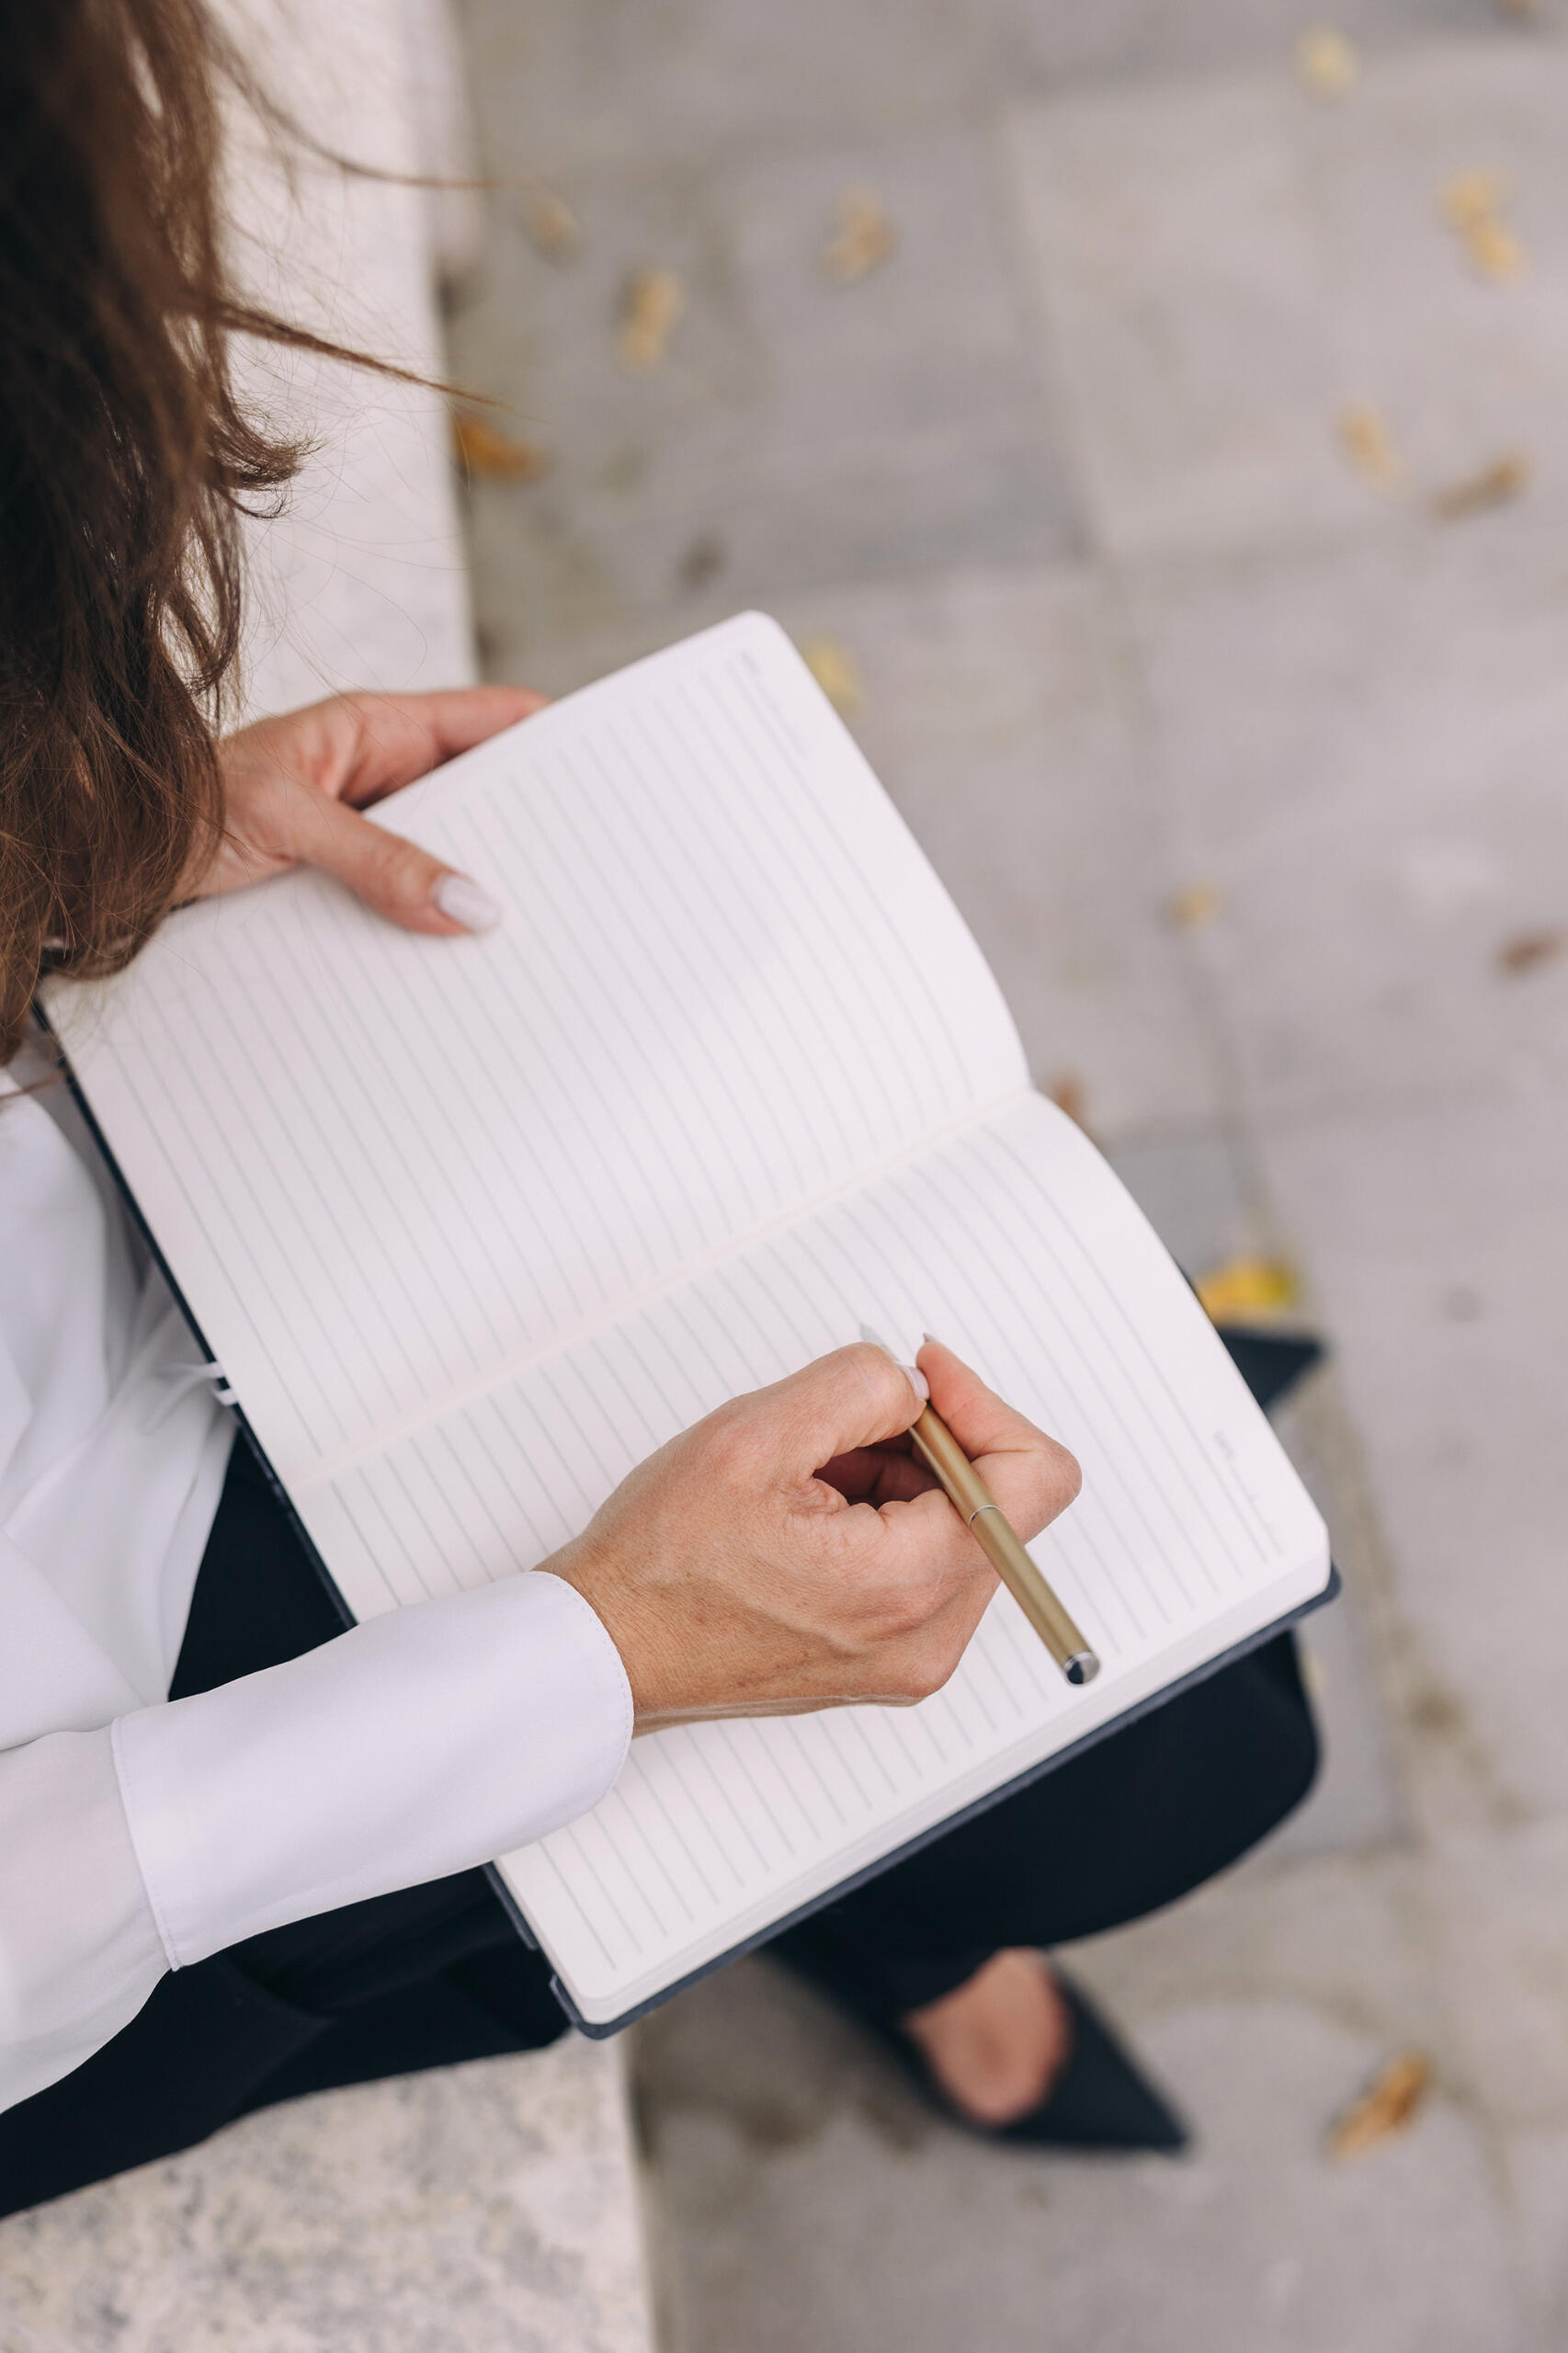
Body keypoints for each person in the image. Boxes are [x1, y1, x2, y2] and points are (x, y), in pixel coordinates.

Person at [0, 0, 1320, 2217]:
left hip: (144, 1285)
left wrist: (96, 859)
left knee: (898, 1293)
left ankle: (877, 1836)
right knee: (1176, 1753)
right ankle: (887, 1908)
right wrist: (605, 1651)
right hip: (116, 1810)